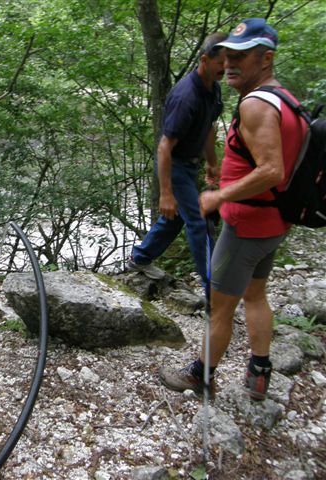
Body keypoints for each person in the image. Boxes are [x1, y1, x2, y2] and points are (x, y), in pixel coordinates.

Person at [159, 18, 307, 400]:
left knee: (219, 307)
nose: (231, 64)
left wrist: (219, 196)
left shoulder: (256, 105)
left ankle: (199, 376)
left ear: (267, 58)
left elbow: (271, 170)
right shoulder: (287, 100)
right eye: (228, 55)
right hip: (276, 220)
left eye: (243, 56)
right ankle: (259, 374)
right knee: (256, 295)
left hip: (246, 225)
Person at [128, 33, 227, 289]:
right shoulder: (187, 97)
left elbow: (208, 128)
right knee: (200, 221)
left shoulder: (213, 90)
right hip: (175, 164)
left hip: (191, 164)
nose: (226, 70)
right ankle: (213, 289)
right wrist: (166, 193)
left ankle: (140, 257)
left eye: (230, 64)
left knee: (175, 218)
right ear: (205, 60)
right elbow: (164, 148)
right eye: (222, 64)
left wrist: (212, 164)